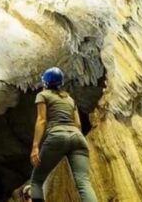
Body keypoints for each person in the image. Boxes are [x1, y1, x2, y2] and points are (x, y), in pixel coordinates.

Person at [29, 67, 98, 202]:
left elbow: (41, 120)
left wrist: (35, 146)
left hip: (57, 136)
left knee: (36, 181)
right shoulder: (69, 99)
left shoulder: (43, 95)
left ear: (45, 83)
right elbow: (78, 124)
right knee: (83, 183)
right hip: (78, 138)